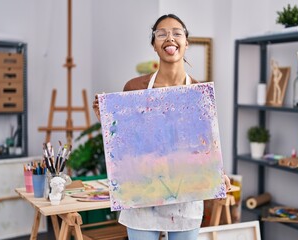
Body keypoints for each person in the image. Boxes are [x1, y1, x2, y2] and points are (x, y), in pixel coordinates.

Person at [93, 13, 231, 240]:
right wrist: (107, 121)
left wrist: (217, 174)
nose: (170, 38)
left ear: (187, 43)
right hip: (141, 196)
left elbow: (205, 147)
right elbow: (126, 145)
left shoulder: (199, 92)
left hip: (185, 198)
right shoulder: (134, 87)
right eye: (161, 34)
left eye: (177, 33)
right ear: (154, 45)